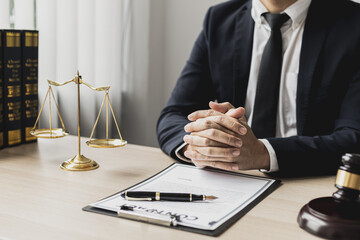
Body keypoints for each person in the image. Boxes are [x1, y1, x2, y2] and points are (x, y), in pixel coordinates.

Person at [156, 0, 360, 176]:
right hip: (234, 178)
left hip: (311, 182)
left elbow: (353, 138)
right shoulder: (219, 20)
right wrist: (199, 145)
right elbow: (173, 114)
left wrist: (264, 153)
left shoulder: (353, 24)